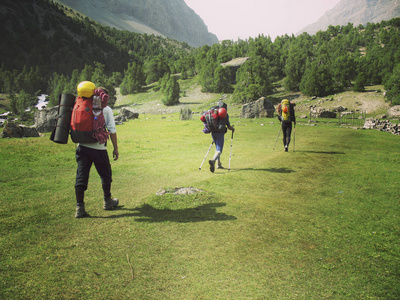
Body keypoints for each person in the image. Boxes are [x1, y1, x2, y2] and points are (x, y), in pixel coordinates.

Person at [73, 81, 119, 218]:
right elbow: (112, 130)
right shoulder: (105, 109)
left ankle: (79, 208)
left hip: (81, 147)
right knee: (105, 174)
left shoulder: (80, 106)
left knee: (81, 176)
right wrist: (115, 148)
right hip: (99, 148)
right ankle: (107, 201)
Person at [208, 101, 235, 172]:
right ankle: (213, 160)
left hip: (213, 132)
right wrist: (232, 129)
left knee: (217, 148)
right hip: (220, 133)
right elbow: (228, 126)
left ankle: (218, 164)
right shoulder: (225, 114)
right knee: (219, 149)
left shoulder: (214, 113)